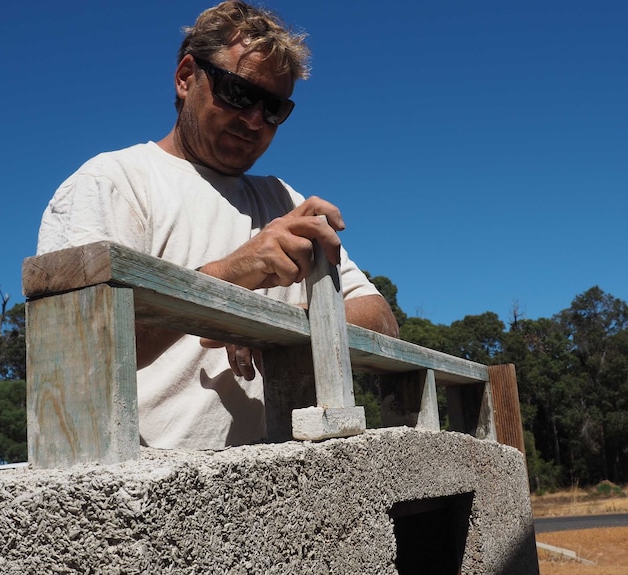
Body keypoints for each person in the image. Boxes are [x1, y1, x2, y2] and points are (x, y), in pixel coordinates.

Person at [36, 1, 399, 450]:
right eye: (238, 92)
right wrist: (224, 284)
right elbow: (76, 359)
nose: (253, 120)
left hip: (290, 481)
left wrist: (278, 331)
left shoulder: (285, 201)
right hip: (152, 490)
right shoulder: (113, 183)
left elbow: (380, 318)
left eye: (273, 108)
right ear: (187, 77)